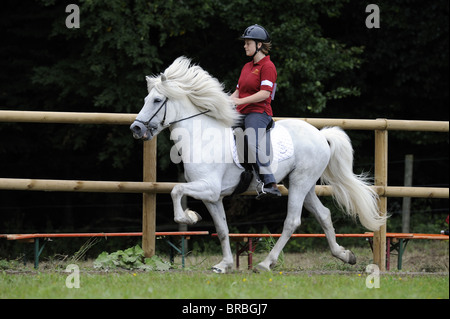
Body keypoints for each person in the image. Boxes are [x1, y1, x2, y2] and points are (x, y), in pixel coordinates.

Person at [231, 24, 281, 198]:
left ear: (259, 45)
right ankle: (244, 173)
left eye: (248, 43)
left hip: (259, 112)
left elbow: (265, 93)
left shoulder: (268, 66)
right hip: (242, 111)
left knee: (251, 140)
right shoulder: (246, 67)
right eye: (244, 43)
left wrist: (240, 101)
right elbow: (236, 93)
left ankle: (270, 182)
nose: (245, 46)